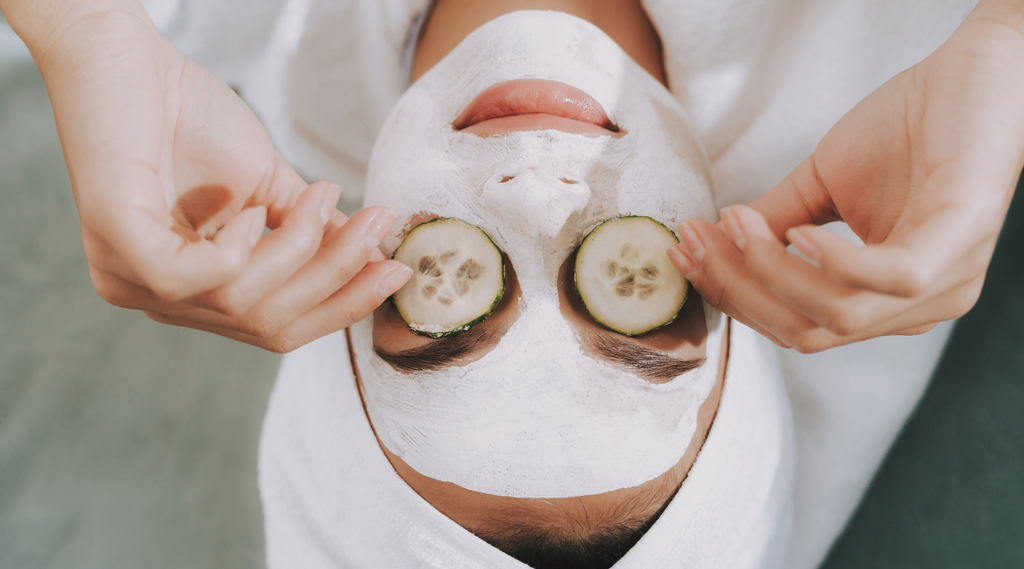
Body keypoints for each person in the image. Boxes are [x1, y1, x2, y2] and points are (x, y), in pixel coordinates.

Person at [1, 0, 1021, 567]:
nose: (537, 191)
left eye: (429, 304)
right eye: (635, 300)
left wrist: (79, 27)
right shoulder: (922, 40)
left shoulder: (189, 26)